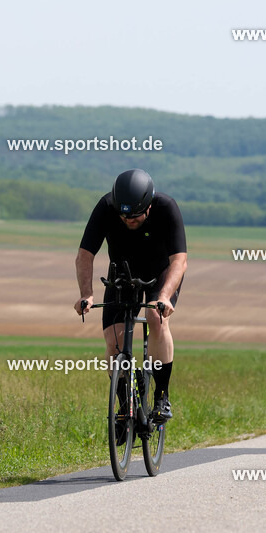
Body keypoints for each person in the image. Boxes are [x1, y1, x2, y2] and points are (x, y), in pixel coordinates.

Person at [74, 168, 187, 424]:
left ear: (148, 206)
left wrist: (166, 296)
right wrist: (87, 294)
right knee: (114, 341)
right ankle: (126, 408)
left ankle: (161, 396)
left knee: (156, 319)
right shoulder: (106, 207)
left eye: (135, 216)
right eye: (123, 215)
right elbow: (85, 255)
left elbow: (179, 261)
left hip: (161, 274)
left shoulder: (166, 207)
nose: (128, 220)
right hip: (122, 273)